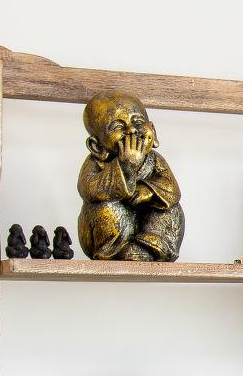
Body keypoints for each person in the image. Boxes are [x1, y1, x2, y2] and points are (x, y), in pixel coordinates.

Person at [76, 93, 185, 261]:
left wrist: (149, 191)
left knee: (170, 205)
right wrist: (125, 166)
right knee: (104, 206)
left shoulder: (155, 159)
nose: (132, 130)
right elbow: (88, 189)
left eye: (138, 122)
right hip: (113, 237)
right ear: (96, 146)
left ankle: (152, 247)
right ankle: (116, 250)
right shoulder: (95, 162)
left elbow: (172, 189)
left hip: (147, 228)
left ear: (153, 130)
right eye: (117, 127)